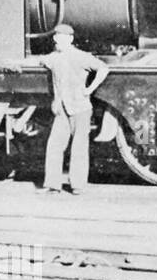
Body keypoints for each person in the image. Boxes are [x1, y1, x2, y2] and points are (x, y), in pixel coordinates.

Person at [39, 23, 109, 195]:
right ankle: (53, 184)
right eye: (57, 37)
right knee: (55, 145)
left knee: (79, 147)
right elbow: (39, 60)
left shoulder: (81, 56)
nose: (58, 40)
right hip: (62, 108)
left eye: (62, 37)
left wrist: (90, 89)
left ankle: (77, 185)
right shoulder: (53, 58)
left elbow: (104, 68)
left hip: (80, 108)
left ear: (70, 39)